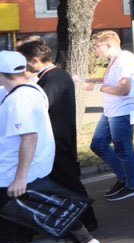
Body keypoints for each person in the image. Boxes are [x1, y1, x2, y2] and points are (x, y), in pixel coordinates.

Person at [1, 52, 102, 243]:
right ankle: (86, 241)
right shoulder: (31, 89)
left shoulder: (19, 99)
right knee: (49, 206)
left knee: (6, 224)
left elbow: (28, 137)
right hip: (29, 167)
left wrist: (20, 177)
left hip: (16, 171)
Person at [15, 40, 98, 231]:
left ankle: (87, 221)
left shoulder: (54, 78)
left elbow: (39, 106)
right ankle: (78, 222)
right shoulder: (53, 76)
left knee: (68, 183)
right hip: (56, 139)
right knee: (63, 184)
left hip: (56, 141)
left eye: (24, 63)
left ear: (34, 61)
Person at [84, 30, 134, 201]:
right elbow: (110, 83)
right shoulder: (114, 60)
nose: (95, 50)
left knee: (123, 148)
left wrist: (95, 87)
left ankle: (133, 185)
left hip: (123, 110)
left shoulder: (125, 59)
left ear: (109, 45)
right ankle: (124, 177)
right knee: (98, 144)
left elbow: (123, 90)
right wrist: (91, 81)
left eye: (96, 46)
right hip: (111, 110)